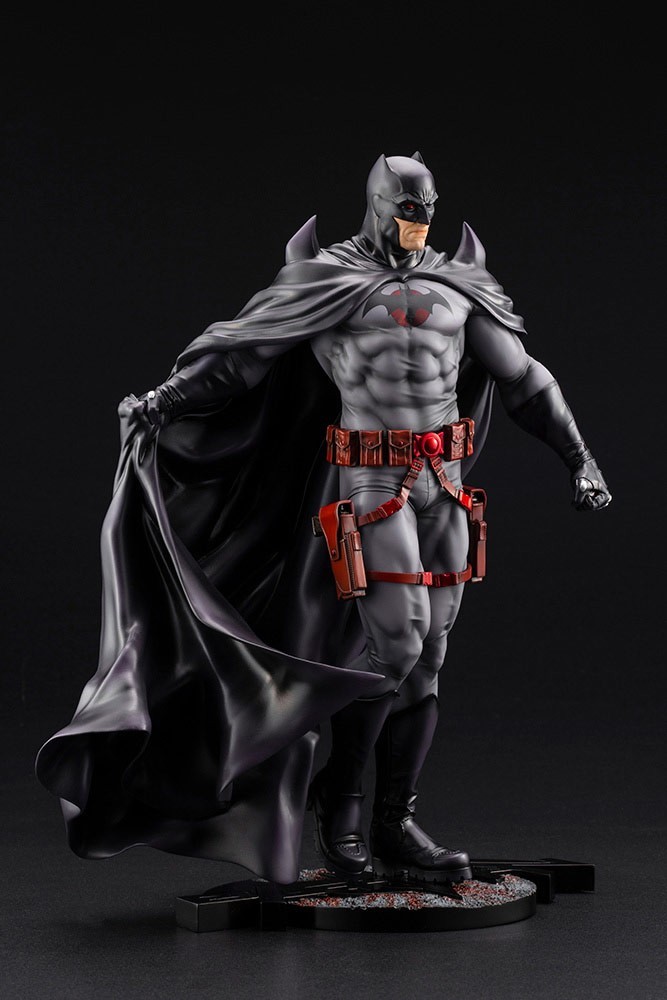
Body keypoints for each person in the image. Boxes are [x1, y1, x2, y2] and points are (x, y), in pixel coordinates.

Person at [36, 153, 610, 886]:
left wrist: (580, 459)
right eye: (406, 208)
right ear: (376, 204)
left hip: (445, 485)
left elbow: (525, 379)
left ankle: (395, 820)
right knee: (396, 645)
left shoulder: (457, 284)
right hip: (370, 482)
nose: (419, 221)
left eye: (428, 208)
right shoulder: (325, 280)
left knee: (429, 659)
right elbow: (242, 360)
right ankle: (339, 804)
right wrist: (163, 401)